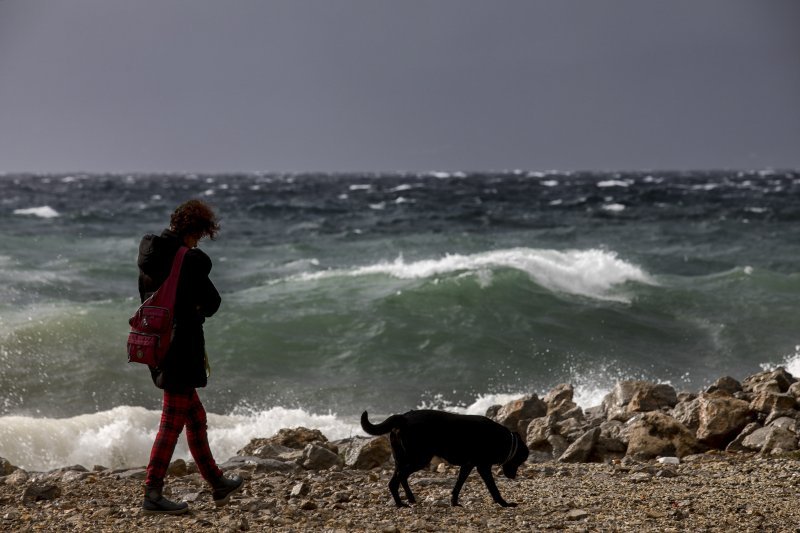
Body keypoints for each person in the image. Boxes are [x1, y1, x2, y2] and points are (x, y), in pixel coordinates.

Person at [136, 199, 243, 515]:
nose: (199, 241)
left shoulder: (148, 251)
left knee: (195, 418)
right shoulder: (191, 259)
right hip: (181, 348)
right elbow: (212, 303)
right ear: (193, 231)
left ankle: (217, 481)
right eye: (199, 235)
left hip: (156, 342)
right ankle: (152, 493)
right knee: (171, 422)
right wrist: (193, 308)